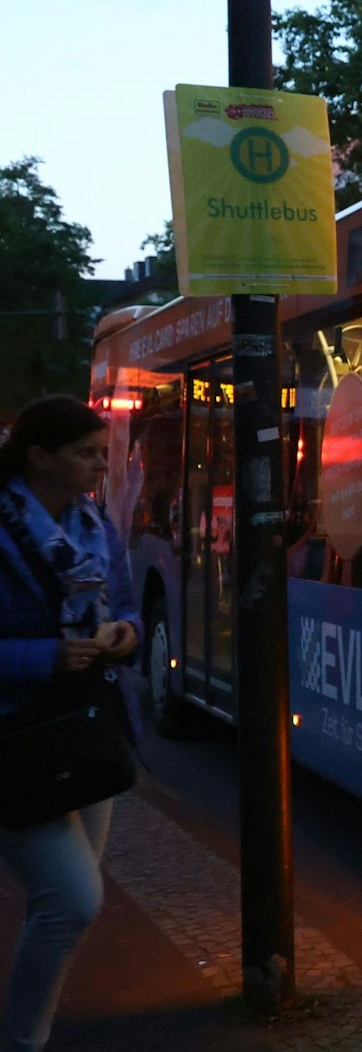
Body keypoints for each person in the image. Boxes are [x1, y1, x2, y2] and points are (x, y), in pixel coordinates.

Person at [0, 395, 140, 1052]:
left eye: (100, 452)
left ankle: (33, 1032)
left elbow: (129, 605)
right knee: (73, 899)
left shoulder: (93, 522)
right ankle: (23, 1041)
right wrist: (45, 656)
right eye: (86, 453)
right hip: (18, 736)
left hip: (85, 726)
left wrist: (124, 634)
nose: (99, 465)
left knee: (62, 907)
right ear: (39, 456)